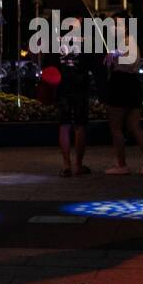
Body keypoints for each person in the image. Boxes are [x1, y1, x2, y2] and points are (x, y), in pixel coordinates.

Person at [103, 12, 143, 175]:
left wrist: (112, 55)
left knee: (116, 127)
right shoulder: (131, 42)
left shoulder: (123, 44)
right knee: (135, 126)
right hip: (133, 84)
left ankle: (122, 164)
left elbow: (118, 64)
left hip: (120, 84)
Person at [52, 16, 94, 177]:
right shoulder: (86, 42)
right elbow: (93, 65)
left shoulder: (57, 41)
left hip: (62, 87)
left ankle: (66, 165)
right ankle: (78, 164)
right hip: (80, 87)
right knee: (80, 126)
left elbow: (49, 65)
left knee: (64, 126)